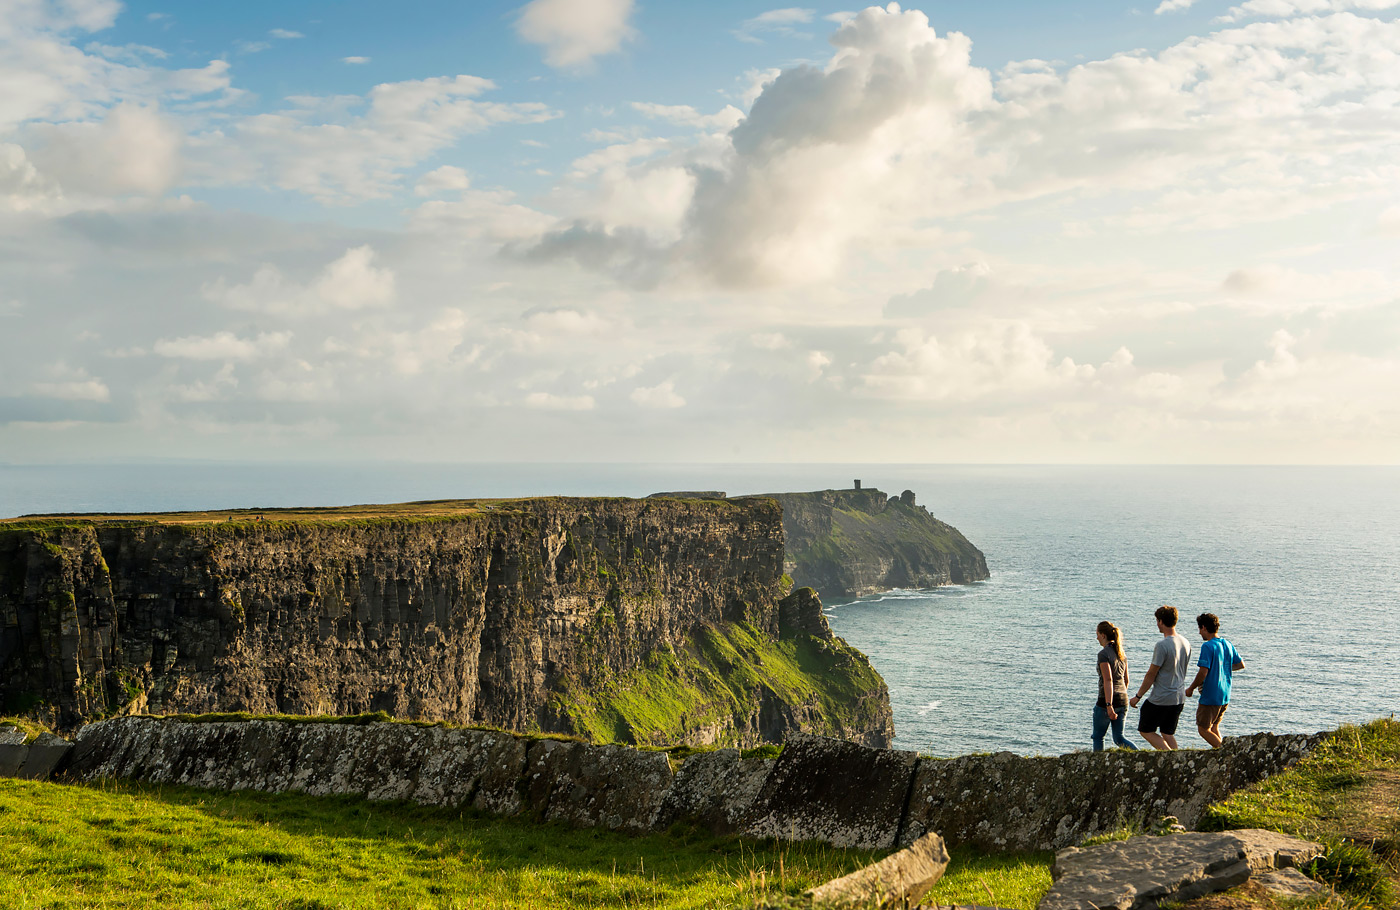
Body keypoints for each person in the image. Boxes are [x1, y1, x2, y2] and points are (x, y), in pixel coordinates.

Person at [1129, 605, 1193, 750]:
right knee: (1167, 732)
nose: (1157, 624)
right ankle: (1178, 761)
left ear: (1161, 621)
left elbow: (1151, 674)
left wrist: (1138, 696)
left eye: (1157, 621)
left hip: (1162, 697)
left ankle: (1168, 756)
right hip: (1179, 696)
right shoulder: (1185, 642)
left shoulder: (1162, 645)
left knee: (1145, 729)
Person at [1185, 612, 1245, 747]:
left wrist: (1191, 688)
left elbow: (1203, 672)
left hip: (1211, 695)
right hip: (1225, 694)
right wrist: (1222, 669)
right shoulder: (1227, 644)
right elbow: (1240, 664)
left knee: (1203, 729)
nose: (1199, 633)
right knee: (1214, 728)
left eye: (1199, 629)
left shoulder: (1208, 646)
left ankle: (1227, 755)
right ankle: (1225, 752)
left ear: (1204, 628)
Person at [1092, 621, 1138, 751]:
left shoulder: (1103, 654)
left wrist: (1109, 705)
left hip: (1106, 700)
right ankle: (1139, 755)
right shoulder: (1121, 653)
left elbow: (1108, 680)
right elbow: (1126, 680)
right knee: (1119, 738)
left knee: (1098, 736)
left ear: (1103, 635)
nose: (1096, 638)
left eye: (1097, 634)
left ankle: (1098, 767)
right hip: (1123, 698)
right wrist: (1120, 698)